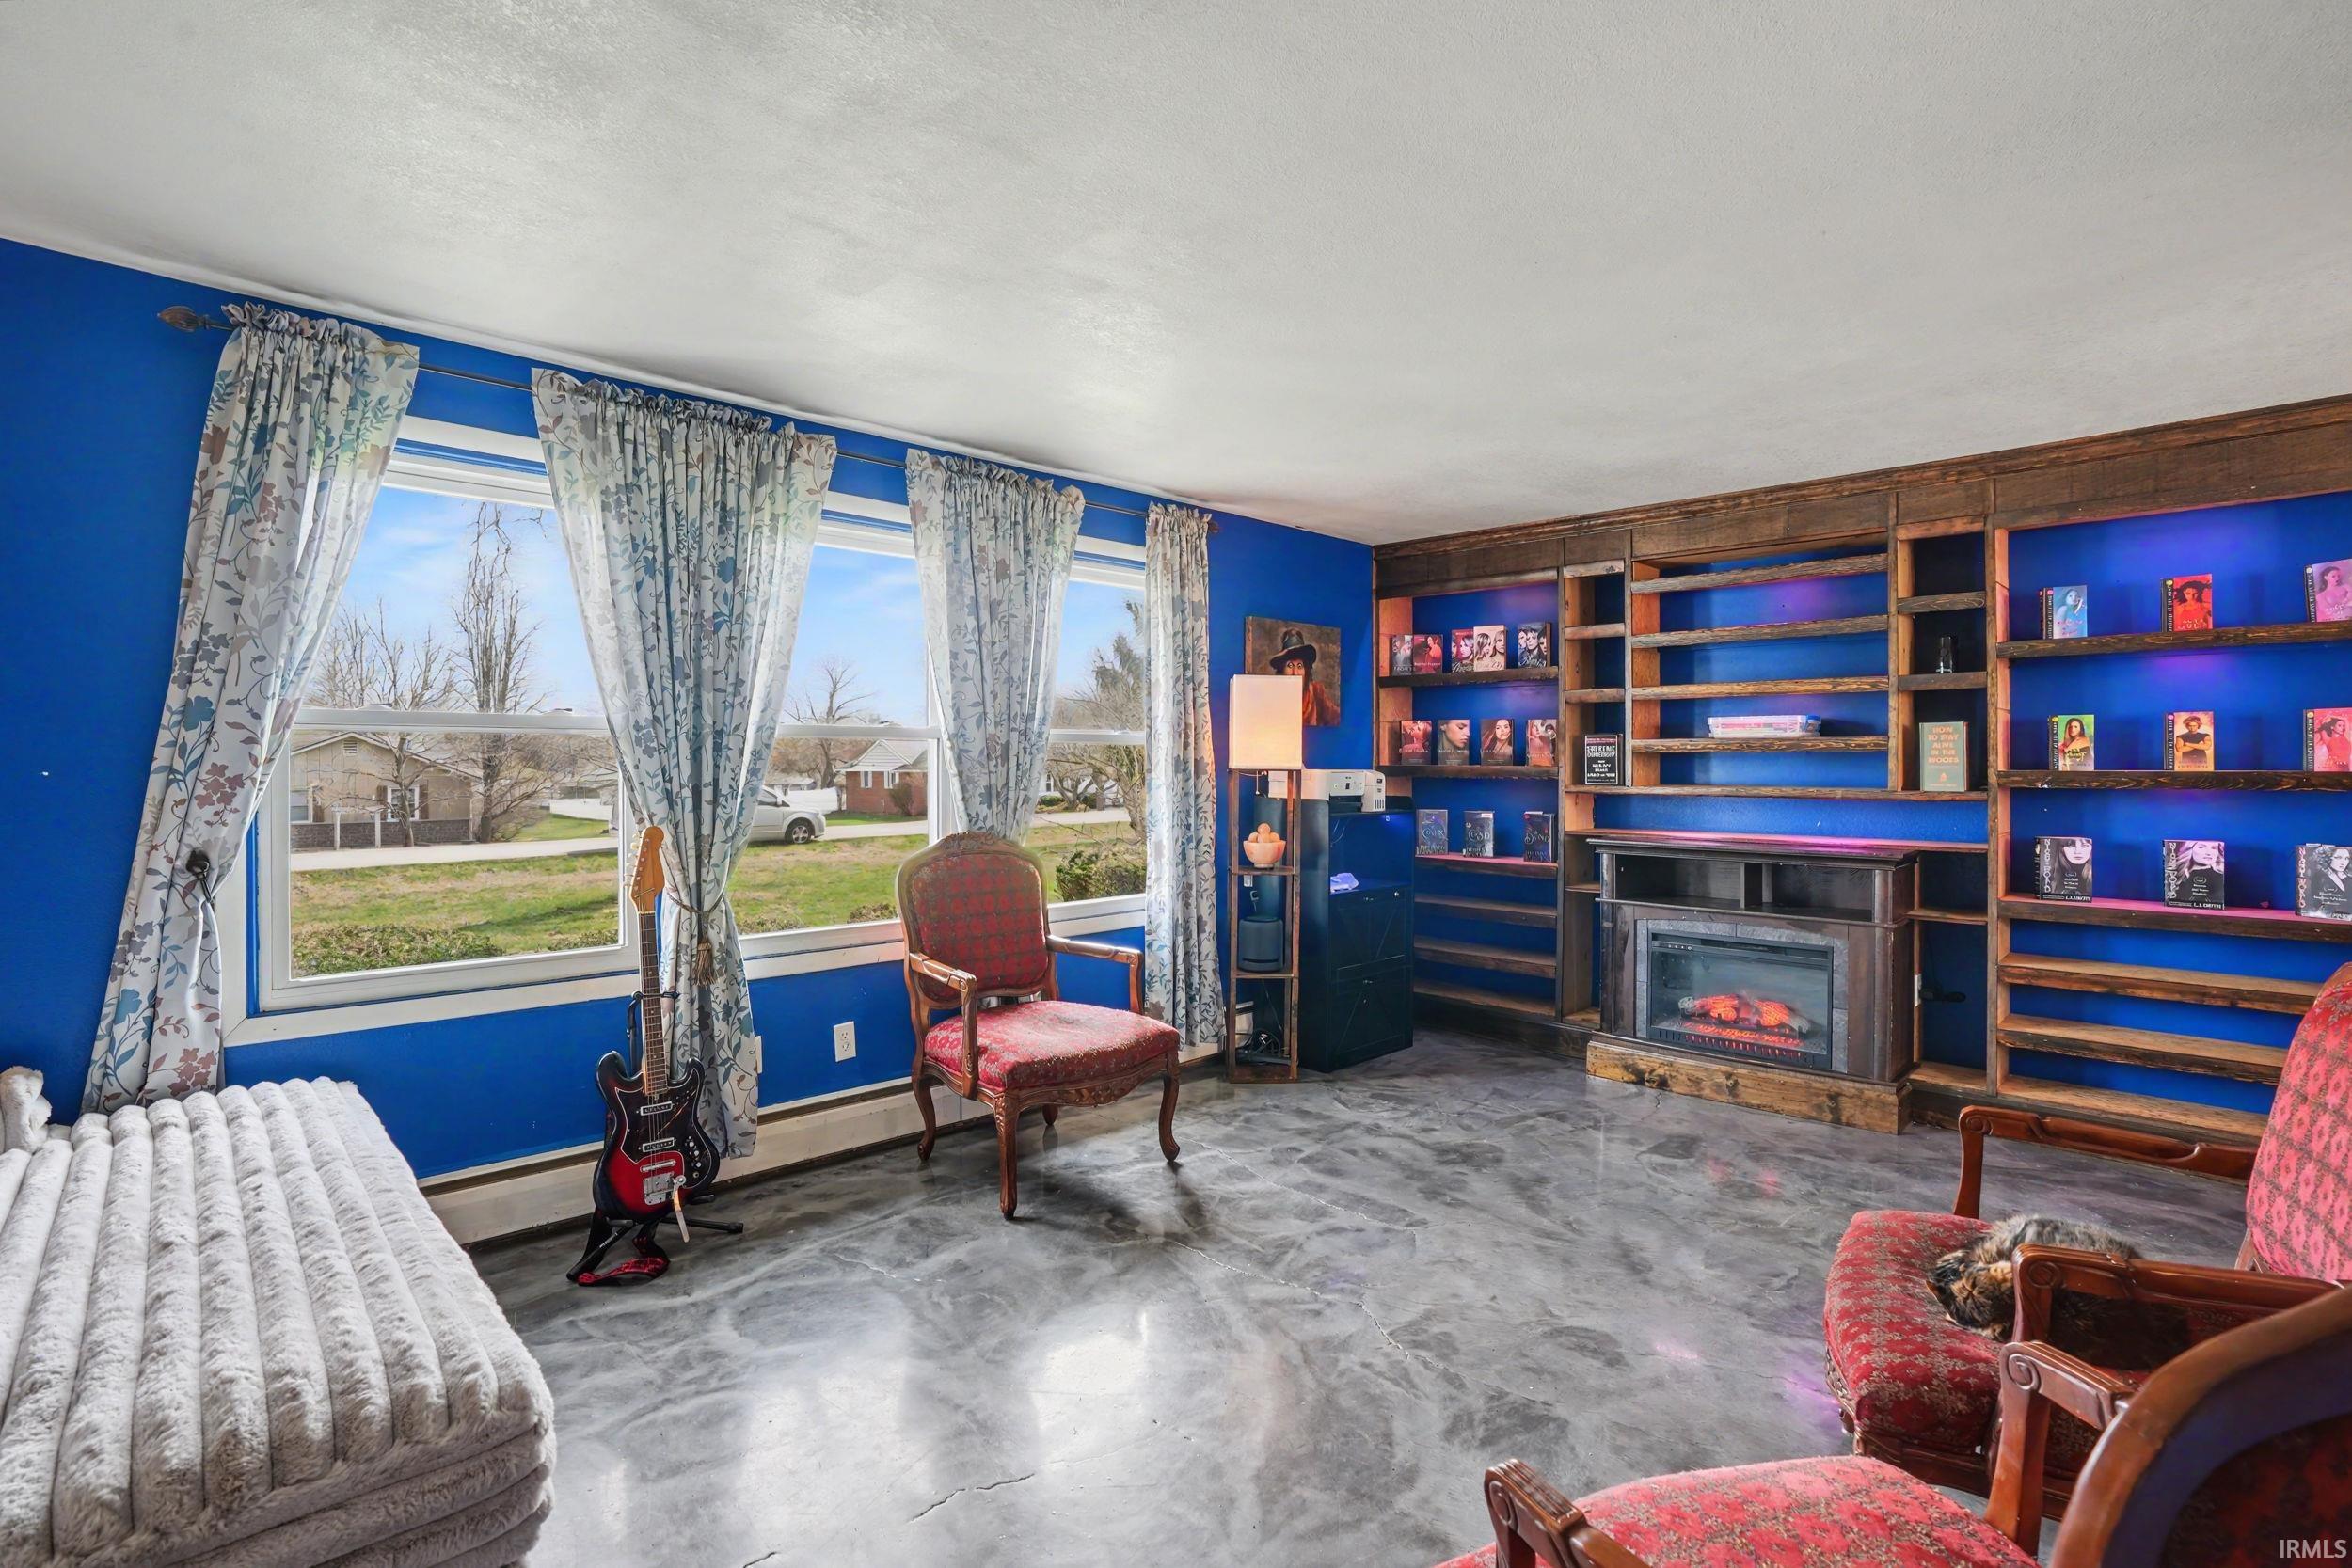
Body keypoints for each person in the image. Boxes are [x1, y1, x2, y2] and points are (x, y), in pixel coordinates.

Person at [1267, 632, 1341, 726]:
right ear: (1282, 670)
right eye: (1290, 666)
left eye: (1299, 666)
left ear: (1305, 670)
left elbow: (1336, 717)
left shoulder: (1316, 692)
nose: (1295, 673)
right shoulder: (1274, 699)